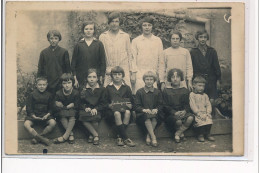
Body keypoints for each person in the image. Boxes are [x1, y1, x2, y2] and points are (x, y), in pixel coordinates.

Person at [99, 12, 136, 88]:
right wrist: (102, 72)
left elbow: (130, 55)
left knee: (125, 94)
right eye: (112, 21)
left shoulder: (125, 36)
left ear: (120, 23)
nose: (114, 24)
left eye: (116, 21)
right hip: (109, 70)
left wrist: (131, 72)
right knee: (108, 93)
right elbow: (100, 56)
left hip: (123, 70)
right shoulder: (103, 36)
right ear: (109, 23)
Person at [190, 30, 221, 112]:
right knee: (199, 100)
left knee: (211, 101)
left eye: (205, 37)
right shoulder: (193, 51)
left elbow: (216, 66)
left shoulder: (212, 51)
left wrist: (218, 80)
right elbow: (191, 67)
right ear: (197, 38)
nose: (202, 39)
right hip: (198, 80)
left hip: (211, 79)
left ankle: (210, 116)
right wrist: (192, 80)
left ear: (207, 38)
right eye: (200, 37)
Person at [131, 16, 163, 94]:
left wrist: (160, 75)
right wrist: (133, 74)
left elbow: (161, 59)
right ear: (141, 27)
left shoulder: (157, 40)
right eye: (144, 25)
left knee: (152, 96)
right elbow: (133, 59)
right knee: (139, 94)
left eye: (149, 25)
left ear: (152, 27)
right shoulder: (136, 41)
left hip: (153, 73)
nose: (147, 27)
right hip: (139, 73)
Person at [105, 66, 135, 147]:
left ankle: (119, 137)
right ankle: (126, 138)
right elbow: (104, 102)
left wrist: (130, 105)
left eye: (119, 74)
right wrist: (109, 105)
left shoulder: (127, 87)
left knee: (128, 112)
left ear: (122, 75)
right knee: (117, 113)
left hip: (125, 112)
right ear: (111, 76)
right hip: (112, 113)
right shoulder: (108, 88)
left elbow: (132, 101)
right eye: (115, 74)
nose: (117, 76)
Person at [71, 21, 106, 88]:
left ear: (94, 30)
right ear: (83, 30)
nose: (88, 31)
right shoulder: (78, 45)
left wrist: (101, 76)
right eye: (86, 29)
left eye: (91, 29)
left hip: (95, 77)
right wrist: (75, 78)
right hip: (81, 77)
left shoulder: (99, 44)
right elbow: (73, 63)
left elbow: (102, 62)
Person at [163, 69, 194, 143]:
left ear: (181, 78)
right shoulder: (166, 90)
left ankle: (178, 133)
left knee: (190, 118)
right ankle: (180, 134)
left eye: (178, 77)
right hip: (171, 113)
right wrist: (174, 112)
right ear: (170, 79)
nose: (175, 79)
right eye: (173, 77)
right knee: (178, 121)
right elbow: (165, 105)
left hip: (182, 112)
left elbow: (187, 104)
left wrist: (185, 111)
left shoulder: (185, 90)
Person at [24, 77, 56, 146]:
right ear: (36, 85)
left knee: (53, 122)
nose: (42, 86)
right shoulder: (32, 94)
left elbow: (51, 108)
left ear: (46, 85)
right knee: (26, 124)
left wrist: (47, 115)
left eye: (44, 85)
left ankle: (38, 137)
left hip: (45, 116)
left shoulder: (49, 95)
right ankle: (42, 139)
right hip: (34, 116)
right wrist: (33, 116)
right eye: (40, 85)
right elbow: (29, 108)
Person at [78, 69, 107, 145]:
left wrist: (96, 108)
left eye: (94, 77)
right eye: (89, 77)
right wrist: (85, 107)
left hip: (97, 109)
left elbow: (104, 103)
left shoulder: (102, 89)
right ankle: (95, 135)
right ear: (86, 78)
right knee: (82, 117)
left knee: (95, 118)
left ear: (97, 78)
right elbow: (79, 102)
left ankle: (91, 135)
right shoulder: (82, 89)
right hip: (86, 110)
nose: (91, 79)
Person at [37, 30, 71, 95]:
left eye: (56, 38)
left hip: (60, 82)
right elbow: (40, 68)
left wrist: (66, 81)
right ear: (48, 39)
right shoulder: (44, 52)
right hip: (47, 81)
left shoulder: (64, 52)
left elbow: (67, 69)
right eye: (51, 38)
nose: (53, 40)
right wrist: (40, 80)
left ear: (59, 39)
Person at [135, 71, 164, 147]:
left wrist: (156, 109)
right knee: (147, 118)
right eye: (147, 79)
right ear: (144, 80)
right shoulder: (139, 92)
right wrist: (144, 110)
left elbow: (161, 105)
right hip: (143, 114)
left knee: (154, 118)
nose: (149, 81)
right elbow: (136, 106)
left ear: (154, 81)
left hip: (155, 114)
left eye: (151, 79)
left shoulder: (157, 92)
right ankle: (153, 137)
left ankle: (148, 136)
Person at [53, 73, 79, 144]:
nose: (67, 85)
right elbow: (56, 104)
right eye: (64, 83)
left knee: (72, 115)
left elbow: (76, 105)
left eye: (69, 83)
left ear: (73, 83)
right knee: (62, 115)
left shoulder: (75, 93)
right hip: (62, 111)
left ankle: (64, 137)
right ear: (61, 84)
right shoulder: (58, 93)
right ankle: (70, 135)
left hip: (73, 111)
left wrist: (68, 106)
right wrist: (65, 106)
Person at [189, 76, 215, 142]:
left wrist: (208, 112)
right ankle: (200, 134)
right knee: (200, 120)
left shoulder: (205, 95)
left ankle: (208, 134)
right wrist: (198, 113)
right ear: (194, 85)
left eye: (203, 86)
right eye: (199, 86)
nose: (201, 88)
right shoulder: (192, 95)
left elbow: (208, 104)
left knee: (208, 120)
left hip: (205, 112)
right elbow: (193, 105)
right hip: (197, 113)